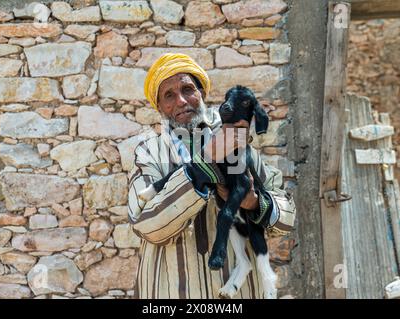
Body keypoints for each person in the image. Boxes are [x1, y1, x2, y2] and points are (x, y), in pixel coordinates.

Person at [127, 53, 296, 299]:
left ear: (202, 94)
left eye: (188, 89)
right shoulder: (149, 152)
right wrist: (204, 163)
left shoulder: (236, 140)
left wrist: (254, 202)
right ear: (160, 107)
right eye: (169, 95)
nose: (182, 101)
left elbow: (286, 215)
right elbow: (146, 225)